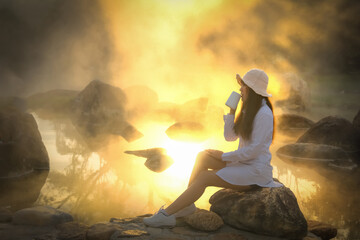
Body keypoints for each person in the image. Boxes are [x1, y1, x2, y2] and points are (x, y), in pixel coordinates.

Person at [143, 69, 283, 228]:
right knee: (203, 156)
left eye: (243, 86)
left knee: (204, 177)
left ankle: (166, 215)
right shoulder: (248, 109)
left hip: (255, 171)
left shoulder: (264, 114)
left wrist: (223, 156)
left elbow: (254, 151)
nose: (239, 90)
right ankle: (187, 205)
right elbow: (230, 137)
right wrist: (231, 111)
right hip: (244, 164)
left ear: (252, 89)